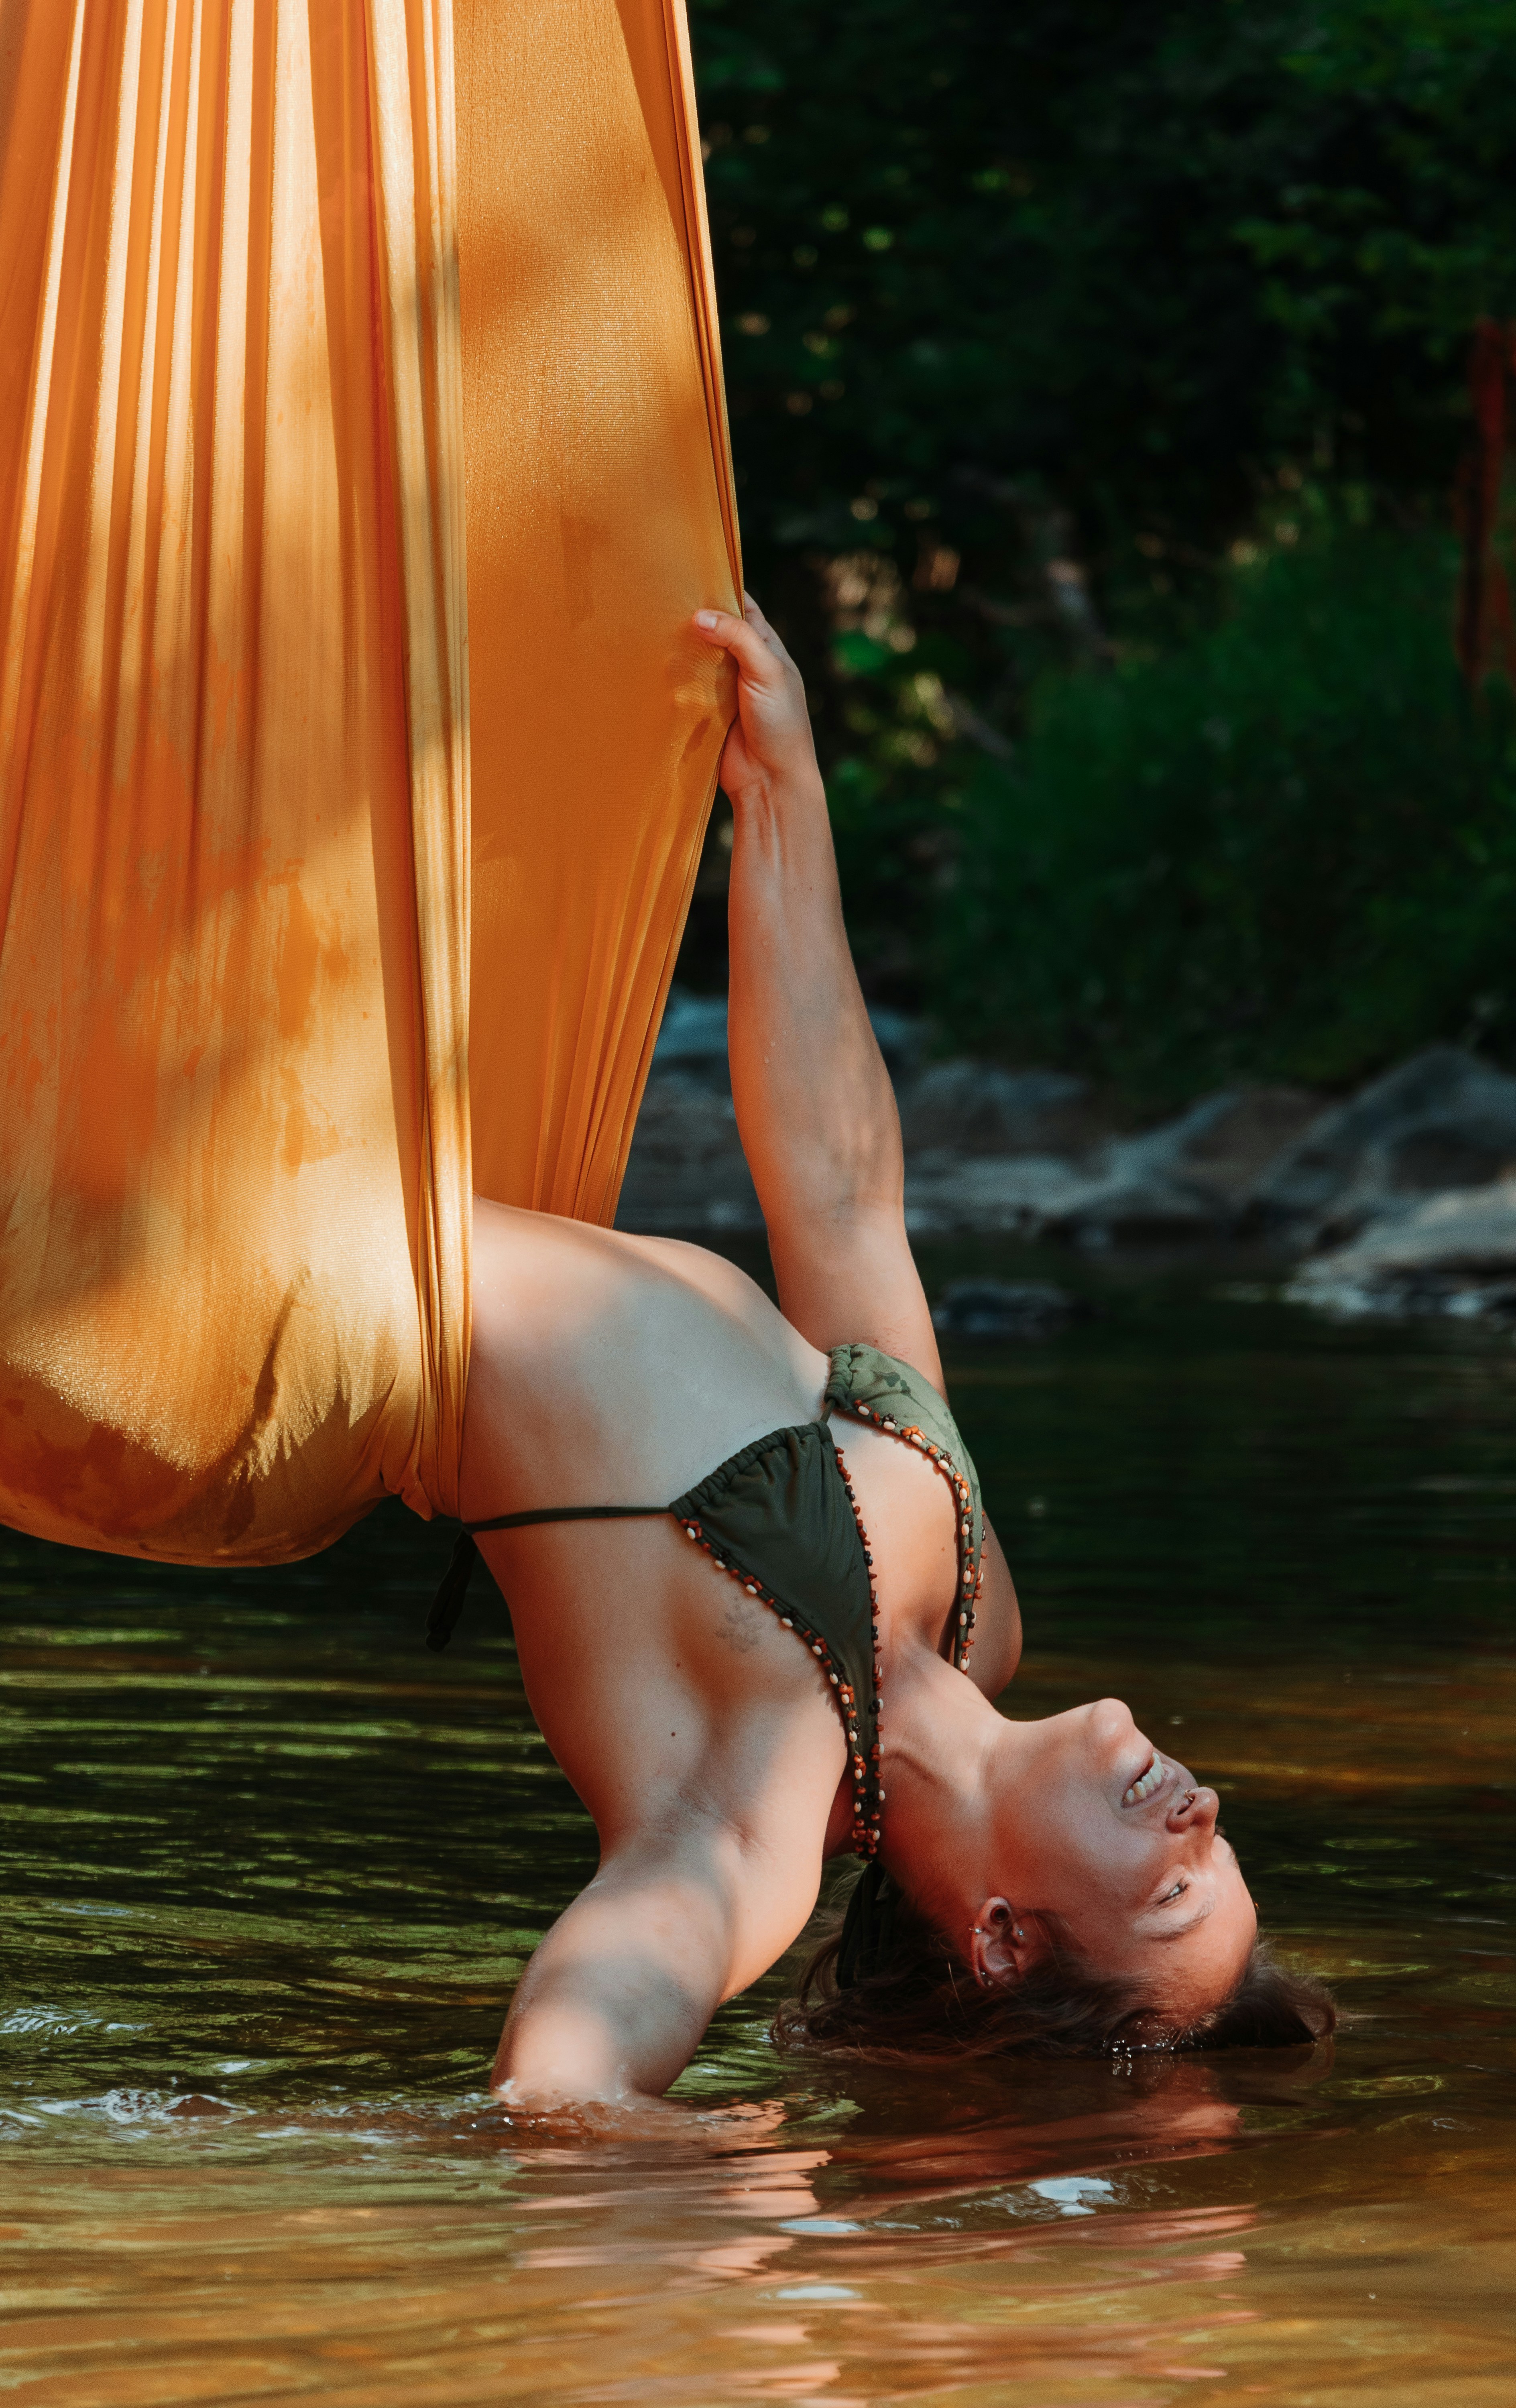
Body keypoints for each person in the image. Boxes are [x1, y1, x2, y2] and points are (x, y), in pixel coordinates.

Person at [454, 595, 1334, 2110]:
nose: (1201, 1816)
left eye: (1180, 1888)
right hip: (393, 1156)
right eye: (1225, 1849)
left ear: (998, 1943)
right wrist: (784, 803)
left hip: (312, 1258)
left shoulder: (751, 1830)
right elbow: (847, 1198)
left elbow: (563, 2087)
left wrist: (758, 2254)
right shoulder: (979, 1605)